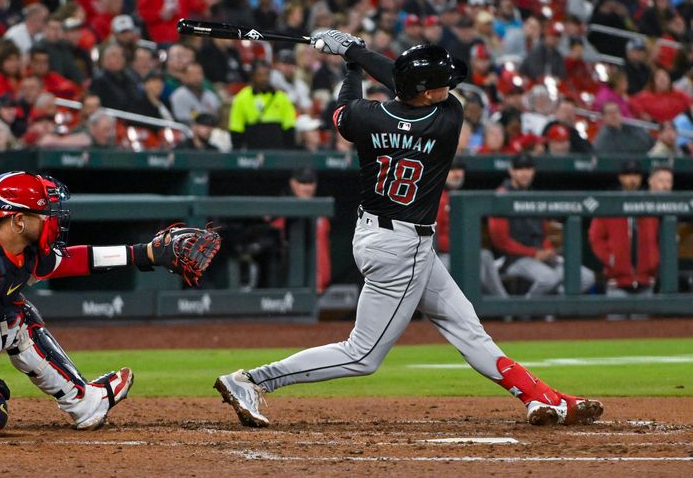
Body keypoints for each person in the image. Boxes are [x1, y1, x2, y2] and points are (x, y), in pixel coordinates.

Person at [214, 32, 603, 429]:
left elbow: (345, 109)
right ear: (429, 92)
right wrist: (356, 52)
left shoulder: (367, 116)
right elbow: (397, 78)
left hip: (377, 236)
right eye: (440, 85)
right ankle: (252, 380)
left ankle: (541, 398)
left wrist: (351, 62)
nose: (448, 88)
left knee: (467, 328)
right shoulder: (446, 119)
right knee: (362, 355)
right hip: (403, 247)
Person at [0, 171, 220, 437]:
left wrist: (146, 253)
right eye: (44, 212)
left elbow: (73, 260)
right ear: (18, 221)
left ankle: (86, 402)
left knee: (16, 316)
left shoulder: (19, 253)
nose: (53, 218)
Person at [488, 153, 595, 296]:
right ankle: (523, 311)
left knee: (586, 276)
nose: (525, 173)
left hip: (540, 257)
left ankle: (555, 308)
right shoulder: (501, 195)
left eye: (528, 169)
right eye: (520, 169)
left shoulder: (534, 195)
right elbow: (501, 241)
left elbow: (543, 231)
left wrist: (547, 250)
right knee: (549, 279)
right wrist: (533, 253)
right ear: (511, 171)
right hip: (513, 259)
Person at [435, 158, 508, 297]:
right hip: (440, 255)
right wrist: (462, 248)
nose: (457, 174)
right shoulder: (437, 197)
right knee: (473, 270)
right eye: (453, 170)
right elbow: (435, 237)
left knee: (485, 256)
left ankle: (503, 303)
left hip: (459, 251)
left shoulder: (462, 196)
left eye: (460, 170)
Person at [588, 160, 662, 297]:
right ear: (621, 177)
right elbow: (595, 237)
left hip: (646, 280)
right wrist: (611, 259)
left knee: (643, 318)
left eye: (636, 175)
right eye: (628, 174)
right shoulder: (608, 204)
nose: (632, 178)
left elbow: (662, 238)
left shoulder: (651, 204)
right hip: (617, 282)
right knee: (616, 318)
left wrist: (654, 260)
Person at [229, 61, 297, 150]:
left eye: (266, 75)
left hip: (277, 150)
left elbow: (289, 128)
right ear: (252, 76)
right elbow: (236, 129)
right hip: (252, 151)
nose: (263, 79)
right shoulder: (241, 98)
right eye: (259, 75)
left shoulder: (282, 97)